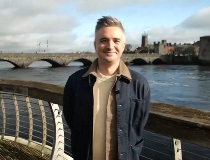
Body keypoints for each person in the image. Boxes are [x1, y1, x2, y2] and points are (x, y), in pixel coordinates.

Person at [63, 16, 150, 160]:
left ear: (123, 45)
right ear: (95, 45)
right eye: (104, 40)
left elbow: (138, 126)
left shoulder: (139, 84)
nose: (110, 46)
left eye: (116, 40)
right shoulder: (75, 82)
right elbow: (72, 120)